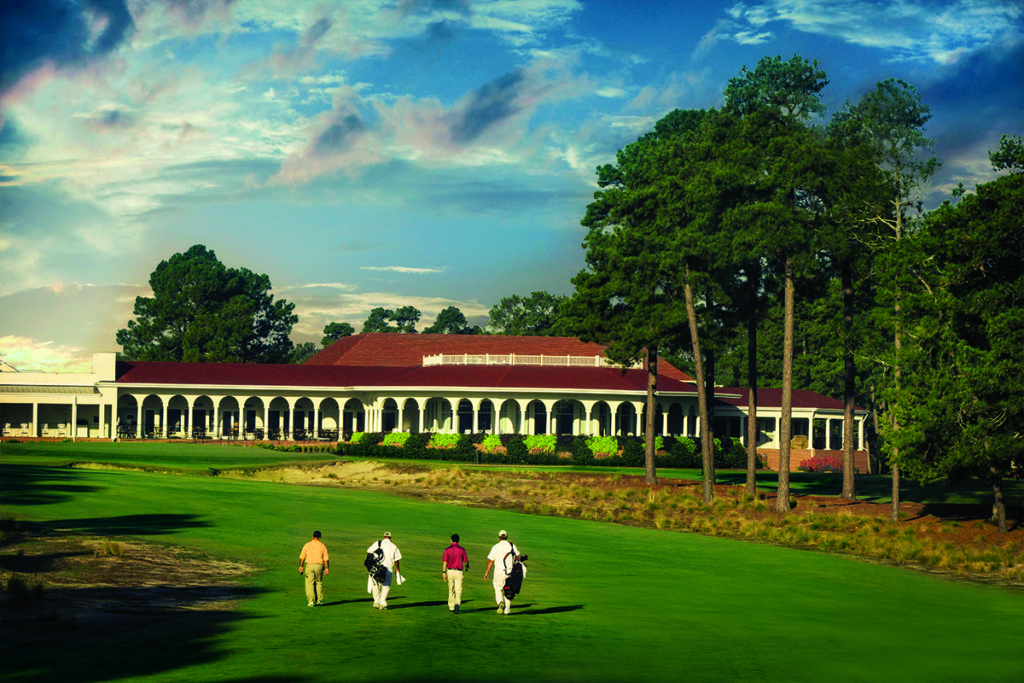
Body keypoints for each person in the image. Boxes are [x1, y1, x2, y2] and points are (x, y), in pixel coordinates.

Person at [484, 529, 520, 615]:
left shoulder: (496, 547)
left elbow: (491, 561)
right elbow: (517, 557)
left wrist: (487, 572)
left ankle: (500, 602)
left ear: (499, 537)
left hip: (499, 571)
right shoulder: (511, 546)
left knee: (498, 588)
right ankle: (507, 610)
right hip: (510, 572)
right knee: (508, 591)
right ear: (506, 537)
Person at [366, 531, 402, 610]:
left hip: (376, 568)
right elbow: (396, 560)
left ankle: (376, 601)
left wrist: (370, 563)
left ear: (383, 537)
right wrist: (398, 569)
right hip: (388, 569)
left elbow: (369, 552)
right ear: (390, 538)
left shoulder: (377, 543)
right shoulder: (394, 546)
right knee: (386, 586)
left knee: (376, 585)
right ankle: (382, 603)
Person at [298, 530, 330, 607]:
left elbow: (302, 557)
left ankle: (311, 601)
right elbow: (326, 559)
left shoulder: (307, 545)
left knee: (309, 583)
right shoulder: (322, 546)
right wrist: (327, 568)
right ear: (320, 537)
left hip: (309, 565)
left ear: (312, 536)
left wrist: (301, 566)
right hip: (319, 566)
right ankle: (319, 600)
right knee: (319, 582)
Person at [441, 533, 469, 614]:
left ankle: (451, 606)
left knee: (451, 589)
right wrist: (467, 567)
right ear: (458, 541)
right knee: (458, 590)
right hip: (459, 572)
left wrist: (443, 572)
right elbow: (466, 561)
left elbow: (445, 562)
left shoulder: (447, 550)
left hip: (450, 571)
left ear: (451, 540)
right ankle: (457, 604)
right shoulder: (462, 550)